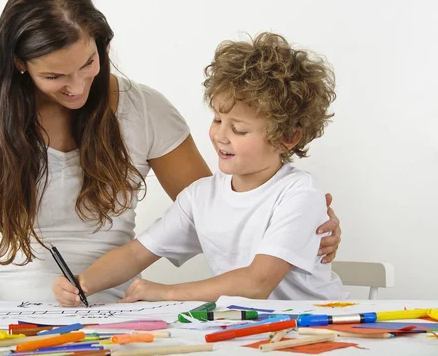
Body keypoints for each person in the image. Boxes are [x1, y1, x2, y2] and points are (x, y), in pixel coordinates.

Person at [0, 0, 341, 314]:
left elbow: (223, 215)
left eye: (88, 64)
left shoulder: (145, 110)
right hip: (3, 307)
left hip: (116, 310)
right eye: (55, 76)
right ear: (20, 65)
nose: (78, 86)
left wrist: (304, 225)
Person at [53, 32, 344, 306]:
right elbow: (136, 253)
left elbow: (258, 282)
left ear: (287, 138)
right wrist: (82, 284)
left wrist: (165, 292)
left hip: (316, 325)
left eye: (239, 130)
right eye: (217, 120)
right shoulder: (201, 196)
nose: (220, 135)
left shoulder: (298, 194)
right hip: (251, 330)